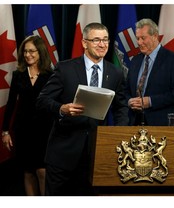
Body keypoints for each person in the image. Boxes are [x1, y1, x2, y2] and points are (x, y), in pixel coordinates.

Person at [36, 22, 129, 196]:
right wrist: (62, 108)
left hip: (95, 154)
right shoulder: (65, 69)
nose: (102, 45)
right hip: (63, 153)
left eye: (105, 40)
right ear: (84, 43)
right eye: (96, 40)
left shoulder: (115, 72)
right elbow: (42, 100)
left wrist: (118, 133)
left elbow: (121, 106)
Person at [1, 35, 54, 196]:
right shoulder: (19, 74)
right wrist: (5, 132)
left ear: (41, 52)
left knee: (42, 172)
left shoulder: (50, 75)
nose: (27, 54)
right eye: (25, 51)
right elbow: (11, 104)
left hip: (44, 131)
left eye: (32, 51)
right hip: (23, 130)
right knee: (28, 171)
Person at [126, 18, 174, 126]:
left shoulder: (172, 59)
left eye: (143, 38)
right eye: (138, 38)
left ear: (155, 36)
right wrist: (129, 101)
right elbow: (126, 90)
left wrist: (150, 101)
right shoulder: (135, 61)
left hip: (160, 125)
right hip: (135, 123)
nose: (139, 42)